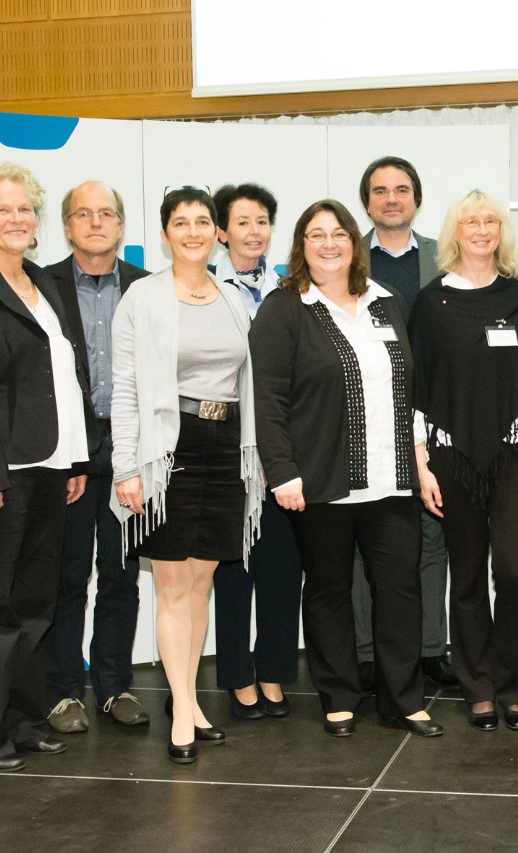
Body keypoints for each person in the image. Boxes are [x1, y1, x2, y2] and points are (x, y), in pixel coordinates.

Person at [250, 199, 440, 739]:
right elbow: (268, 398)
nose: (329, 244)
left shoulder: (387, 302)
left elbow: (412, 393)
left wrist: (421, 462)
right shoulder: (284, 309)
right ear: (301, 246)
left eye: (338, 234)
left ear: (355, 243)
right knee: (329, 588)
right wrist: (281, 471)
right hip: (321, 480)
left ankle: (403, 698)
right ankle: (338, 694)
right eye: (316, 235)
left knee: (400, 590)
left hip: (393, 477)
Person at [0, 163, 92, 772]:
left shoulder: (43, 284)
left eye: (24, 209)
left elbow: (63, 379)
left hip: (51, 466)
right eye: (1, 209)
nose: (15, 218)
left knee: (35, 604)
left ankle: (23, 723)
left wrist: (76, 459)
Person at [110, 187, 262, 765]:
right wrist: (127, 467)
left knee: (201, 585)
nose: (193, 232)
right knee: (173, 587)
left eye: (203, 222)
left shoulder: (230, 298)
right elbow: (125, 388)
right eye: (181, 223)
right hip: (166, 451)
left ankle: (192, 701)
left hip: (225, 447)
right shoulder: (142, 298)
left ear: (216, 232)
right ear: (165, 233)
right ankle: (180, 713)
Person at [410, 190, 518, 732]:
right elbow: (418, 391)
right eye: (470, 221)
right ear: (454, 232)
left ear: (502, 230)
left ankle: (516, 684)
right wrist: (423, 462)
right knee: (468, 575)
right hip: (452, 454)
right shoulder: (431, 304)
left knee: (517, 572)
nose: (481, 229)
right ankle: (478, 686)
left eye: (490, 220)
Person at [42, 181, 152, 734]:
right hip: (69, 452)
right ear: (65, 226)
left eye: (106, 213)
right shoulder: (41, 286)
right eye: (82, 214)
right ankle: (63, 693)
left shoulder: (144, 287)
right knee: (66, 576)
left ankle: (114, 687)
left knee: (121, 574)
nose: (95, 222)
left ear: (121, 224)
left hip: (129, 448)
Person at [355, 156, 456, 691]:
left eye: (401, 189)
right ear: (366, 202)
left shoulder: (446, 258)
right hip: (362, 416)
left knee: (430, 535)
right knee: (363, 540)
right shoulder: (345, 258)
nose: (391, 199)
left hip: (431, 416)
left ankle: (430, 649)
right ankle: (368, 652)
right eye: (380, 191)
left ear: (416, 199)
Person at [208, 182, 301, 721]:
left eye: (262, 221)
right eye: (242, 222)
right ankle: (238, 677)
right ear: (222, 231)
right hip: (224, 446)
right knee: (231, 568)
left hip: (283, 446)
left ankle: (273, 673)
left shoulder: (290, 288)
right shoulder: (205, 286)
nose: (254, 232)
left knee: (281, 568)